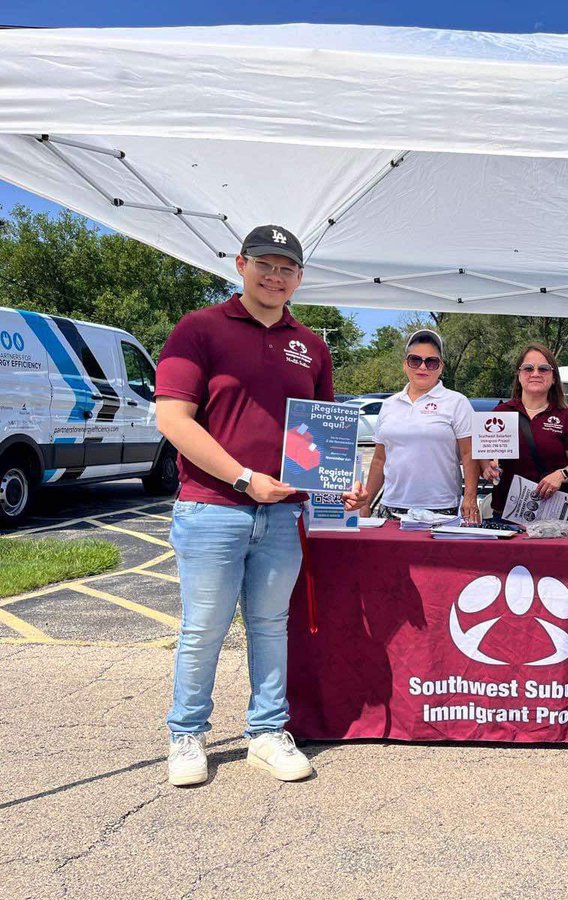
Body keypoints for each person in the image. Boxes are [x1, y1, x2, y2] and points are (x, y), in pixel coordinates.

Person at [156, 224, 366, 787]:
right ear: (241, 264)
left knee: (271, 625)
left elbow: (323, 434)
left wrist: (333, 485)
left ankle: (267, 733)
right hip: (212, 506)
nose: (276, 276)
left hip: (282, 512)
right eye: (266, 264)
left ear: (300, 278)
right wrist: (245, 478)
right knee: (204, 627)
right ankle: (187, 736)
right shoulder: (199, 328)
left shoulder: (312, 345)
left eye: (287, 268)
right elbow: (173, 419)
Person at [350, 329, 481, 523]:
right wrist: (367, 501)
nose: (423, 367)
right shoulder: (389, 405)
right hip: (391, 507)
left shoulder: (457, 402)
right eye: (415, 360)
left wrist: (470, 497)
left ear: (441, 367)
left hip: (441, 508)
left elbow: (469, 455)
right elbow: (379, 459)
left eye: (431, 361)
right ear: (405, 365)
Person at [480, 344, 568, 520]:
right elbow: (484, 459)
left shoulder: (566, 417)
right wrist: (487, 468)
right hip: (506, 514)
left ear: (553, 378)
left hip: (551, 516)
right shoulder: (501, 413)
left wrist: (561, 475)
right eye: (528, 368)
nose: (535, 373)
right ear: (519, 375)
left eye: (543, 369)